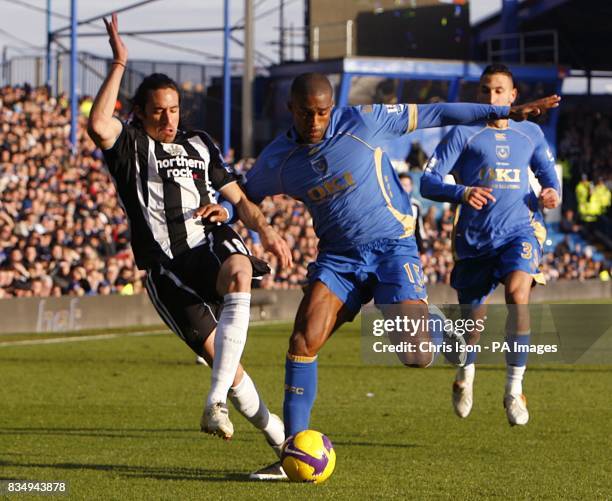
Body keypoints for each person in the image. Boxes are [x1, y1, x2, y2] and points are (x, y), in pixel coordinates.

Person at [243, 71, 560, 474]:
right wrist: (237, 212)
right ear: (291, 109)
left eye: (322, 112)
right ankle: (291, 455)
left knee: (416, 355)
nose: (315, 121)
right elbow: (243, 193)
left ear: (331, 108)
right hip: (340, 258)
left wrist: (503, 111)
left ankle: (445, 330)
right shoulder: (277, 159)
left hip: (393, 246)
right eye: (306, 113)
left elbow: (437, 111)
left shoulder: (363, 121)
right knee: (303, 340)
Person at [87, 14, 292, 479]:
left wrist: (268, 230)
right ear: (139, 112)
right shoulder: (129, 145)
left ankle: (213, 402)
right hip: (164, 268)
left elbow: (239, 199)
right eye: (158, 109)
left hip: (207, 244)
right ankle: (282, 443)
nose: (168, 117)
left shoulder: (200, 143)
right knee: (225, 360)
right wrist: (119, 63)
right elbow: (99, 123)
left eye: (174, 108)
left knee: (240, 269)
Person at [420, 64, 561, 426]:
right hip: (474, 238)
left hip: (520, 231)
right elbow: (428, 182)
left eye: (499, 91)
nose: (492, 97)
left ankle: (514, 390)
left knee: (518, 294)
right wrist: (462, 191)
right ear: (477, 96)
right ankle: (465, 376)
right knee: (474, 324)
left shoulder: (530, 133)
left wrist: (551, 194)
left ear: (513, 96)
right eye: (485, 91)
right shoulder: (463, 134)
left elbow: (548, 176)